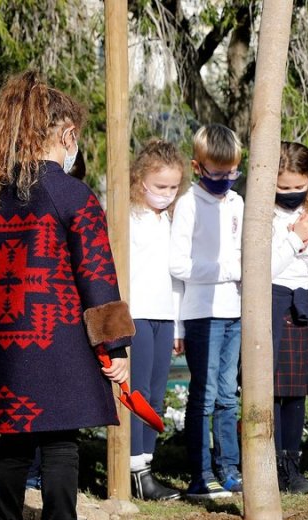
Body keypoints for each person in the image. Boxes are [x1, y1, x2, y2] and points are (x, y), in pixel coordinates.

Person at [0, 70, 132, 520]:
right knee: (60, 445)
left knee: (13, 444)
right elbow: (97, 277)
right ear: (66, 136)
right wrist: (116, 344)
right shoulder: (74, 196)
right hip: (57, 342)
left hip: (7, 344)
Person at [169, 124, 244, 500]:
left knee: (229, 394)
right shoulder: (187, 204)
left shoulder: (237, 203)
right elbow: (179, 265)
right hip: (203, 313)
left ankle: (229, 466)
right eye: (218, 174)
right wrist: (228, 271)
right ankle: (200, 473)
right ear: (199, 167)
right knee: (205, 393)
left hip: (235, 311)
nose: (227, 180)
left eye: (233, 172)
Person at [128, 139, 187, 500]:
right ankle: (135, 468)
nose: (167, 194)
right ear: (141, 181)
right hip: (135, 314)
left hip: (165, 315)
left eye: (174, 187)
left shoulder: (171, 221)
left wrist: (178, 325)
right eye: (160, 186)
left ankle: (149, 462)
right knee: (138, 395)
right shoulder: (128, 218)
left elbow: (177, 278)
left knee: (157, 395)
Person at [271, 142, 308, 494]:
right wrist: (294, 239)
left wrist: (306, 245)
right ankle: (271, 466)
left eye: (298, 187)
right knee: (272, 391)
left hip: (301, 303)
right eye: (283, 188)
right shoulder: (262, 215)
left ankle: (292, 468)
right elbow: (264, 267)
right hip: (272, 301)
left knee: (296, 394)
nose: (291, 194)